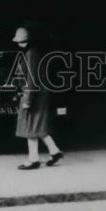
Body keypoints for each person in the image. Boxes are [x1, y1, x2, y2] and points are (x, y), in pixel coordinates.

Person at [12, 25, 63, 170]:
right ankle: (54, 152)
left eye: (22, 42)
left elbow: (31, 78)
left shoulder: (31, 54)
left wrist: (27, 99)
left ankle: (34, 159)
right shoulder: (34, 52)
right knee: (36, 126)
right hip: (39, 94)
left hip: (34, 95)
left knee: (30, 127)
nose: (20, 44)